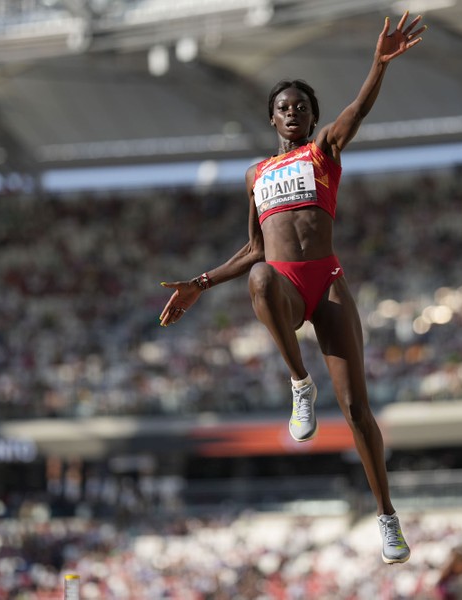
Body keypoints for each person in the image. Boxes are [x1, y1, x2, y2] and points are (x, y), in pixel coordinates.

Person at [159, 11, 427, 564]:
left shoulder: (323, 150)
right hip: (280, 284)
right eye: (283, 108)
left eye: (301, 107)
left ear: (311, 118)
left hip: (325, 284)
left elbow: (358, 111)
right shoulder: (257, 175)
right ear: (273, 119)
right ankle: (299, 382)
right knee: (260, 275)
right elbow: (256, 248)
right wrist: (201, 283)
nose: (292, 113)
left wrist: (378, 64)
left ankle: (387, 517)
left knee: (357, 411)